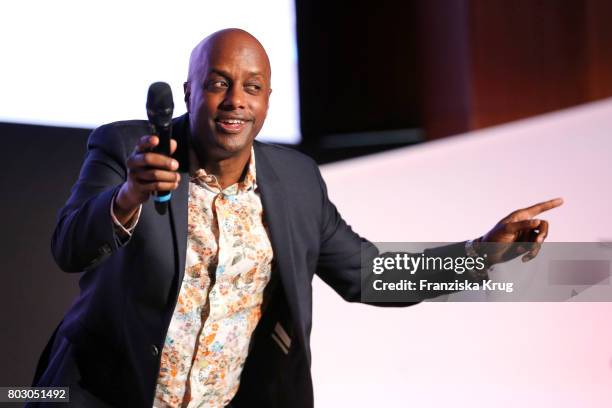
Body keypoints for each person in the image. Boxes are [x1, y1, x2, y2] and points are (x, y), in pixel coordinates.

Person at [30, 28, 563, 407]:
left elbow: (367, 272)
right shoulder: (128, 147)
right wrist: (127, 197)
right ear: (191, 92)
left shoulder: (297, 182)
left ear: (266, 100)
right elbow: (68, 246)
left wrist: (482, 254)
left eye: (252, 87)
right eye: (217, 83)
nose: (234, 101)